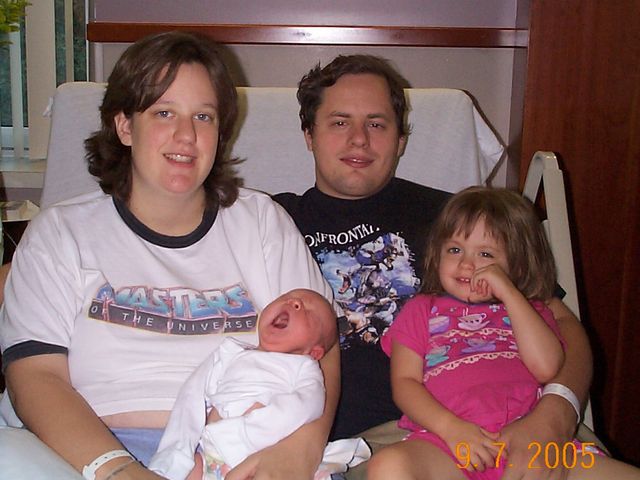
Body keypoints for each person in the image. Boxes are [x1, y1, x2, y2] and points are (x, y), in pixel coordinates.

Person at [0, 31, 338, 480]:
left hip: (242, 450)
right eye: (163, 112)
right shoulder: (61, 232)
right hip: (90, 453)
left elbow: (323, 348)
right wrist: (120, 470)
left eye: (203, 116)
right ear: (124, 126)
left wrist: (302, 449)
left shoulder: (260, 222)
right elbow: (35, 376)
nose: (186, 135)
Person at [273, 54, 594, 480]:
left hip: (515, 422)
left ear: (401, 140)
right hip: (356, 448)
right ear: (309, 135)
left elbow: (561, 321)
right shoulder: (270, 223)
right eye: (339, 122)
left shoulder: (456, 218)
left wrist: (557, 412)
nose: (359, 140)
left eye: (376, 124)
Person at [368, 187, 640, 479]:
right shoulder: (422, 309)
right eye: (455, 250)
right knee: (388, 466)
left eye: (485, 254)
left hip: (533, 441)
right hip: (447, 442)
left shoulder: (531, 311)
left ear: (518, 266)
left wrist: (510, 294)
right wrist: (451, 429)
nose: (466, 264)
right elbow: (405, 383)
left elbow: (546, 367)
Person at [150, 288, 366, 480]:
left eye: (308, 311)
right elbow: (191, 396)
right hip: (213, 454)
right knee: (189, 467)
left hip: (266, 455)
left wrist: (257, 423)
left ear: (314, 352)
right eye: (286, 298)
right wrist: (175, 453)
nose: (294, 302)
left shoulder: (304, 367)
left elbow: (309, 404)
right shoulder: (230, 353)